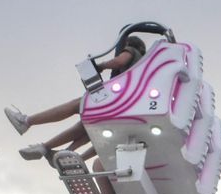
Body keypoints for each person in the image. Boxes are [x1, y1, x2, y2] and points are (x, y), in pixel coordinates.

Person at [8, 33, 148, 161]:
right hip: (127, 110)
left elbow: (119, 62)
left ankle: (26, 121)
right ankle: (56, 150)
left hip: (119, 101)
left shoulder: (133, 52)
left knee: (80, 104)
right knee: (87, 127)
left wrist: (100, 66)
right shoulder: (144, 69)